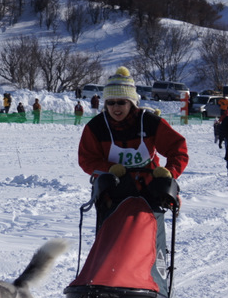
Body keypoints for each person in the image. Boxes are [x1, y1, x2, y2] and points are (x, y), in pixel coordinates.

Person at [78, 66, 188, 218]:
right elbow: (87, 159)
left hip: (150, 191)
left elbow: (178, 148)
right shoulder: (96, 127)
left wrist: (169, 173)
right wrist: (109, 169)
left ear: (131, 103)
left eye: (121, 102)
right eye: (110, 103)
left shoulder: (149, 122)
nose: (116, 107)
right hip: (113, 191)